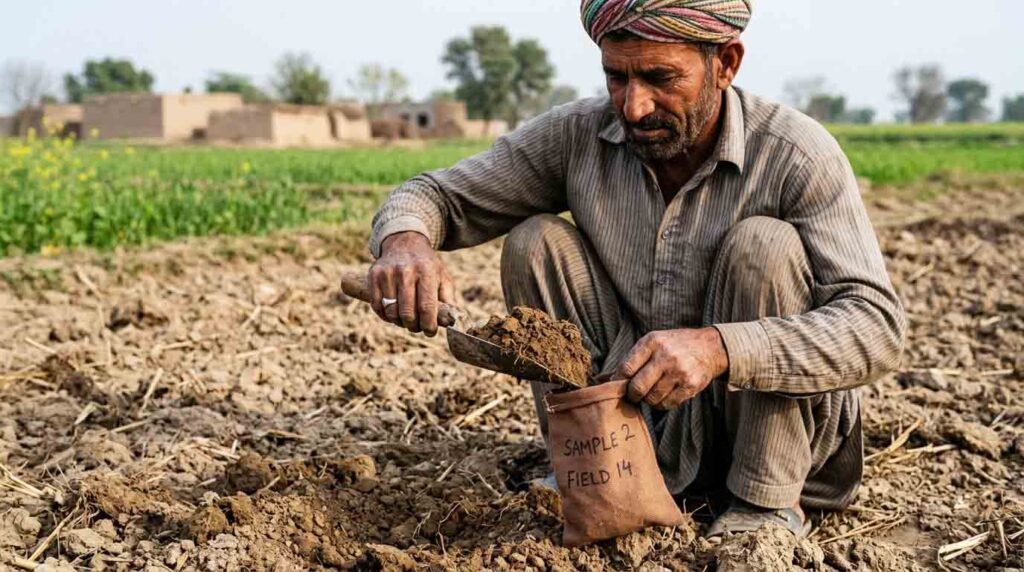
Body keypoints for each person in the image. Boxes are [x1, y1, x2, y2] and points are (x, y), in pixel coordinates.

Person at [363, 0, 906, 539]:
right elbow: (435, 194)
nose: (635, 107)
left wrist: (720, 348)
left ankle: (762, 508)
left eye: (660, 77)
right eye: (616, 77)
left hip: (762, 428)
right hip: (638, 415)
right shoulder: (578, 135)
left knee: (763, 247)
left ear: (726, 63)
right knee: (535, 242)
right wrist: (406, 242)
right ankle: (595, 472)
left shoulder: (796, 155)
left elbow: (876, 327)